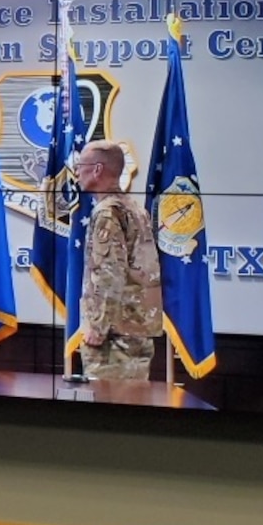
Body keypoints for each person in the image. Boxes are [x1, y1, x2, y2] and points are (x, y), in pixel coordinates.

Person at [75, 140, 162, 380]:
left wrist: (99, 327)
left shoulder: (107, 212)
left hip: (113, 341)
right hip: (136, 331)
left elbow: (108, 273)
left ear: (97, 170)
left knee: (108, 408)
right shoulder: (135, 209)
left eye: (80, 164)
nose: (76, 172)